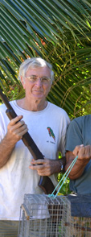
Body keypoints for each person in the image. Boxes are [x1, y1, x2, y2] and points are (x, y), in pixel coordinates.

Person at [0, 58, 70, 236]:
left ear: (51, 83)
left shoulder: (60, 116)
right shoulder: (1, 113)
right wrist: (10, 139)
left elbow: (71, 161)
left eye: (44, 79)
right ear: (22, 80)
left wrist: (56, 165)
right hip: (4, 214)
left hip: (42, 216)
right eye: (32, 78)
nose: (38, 84)